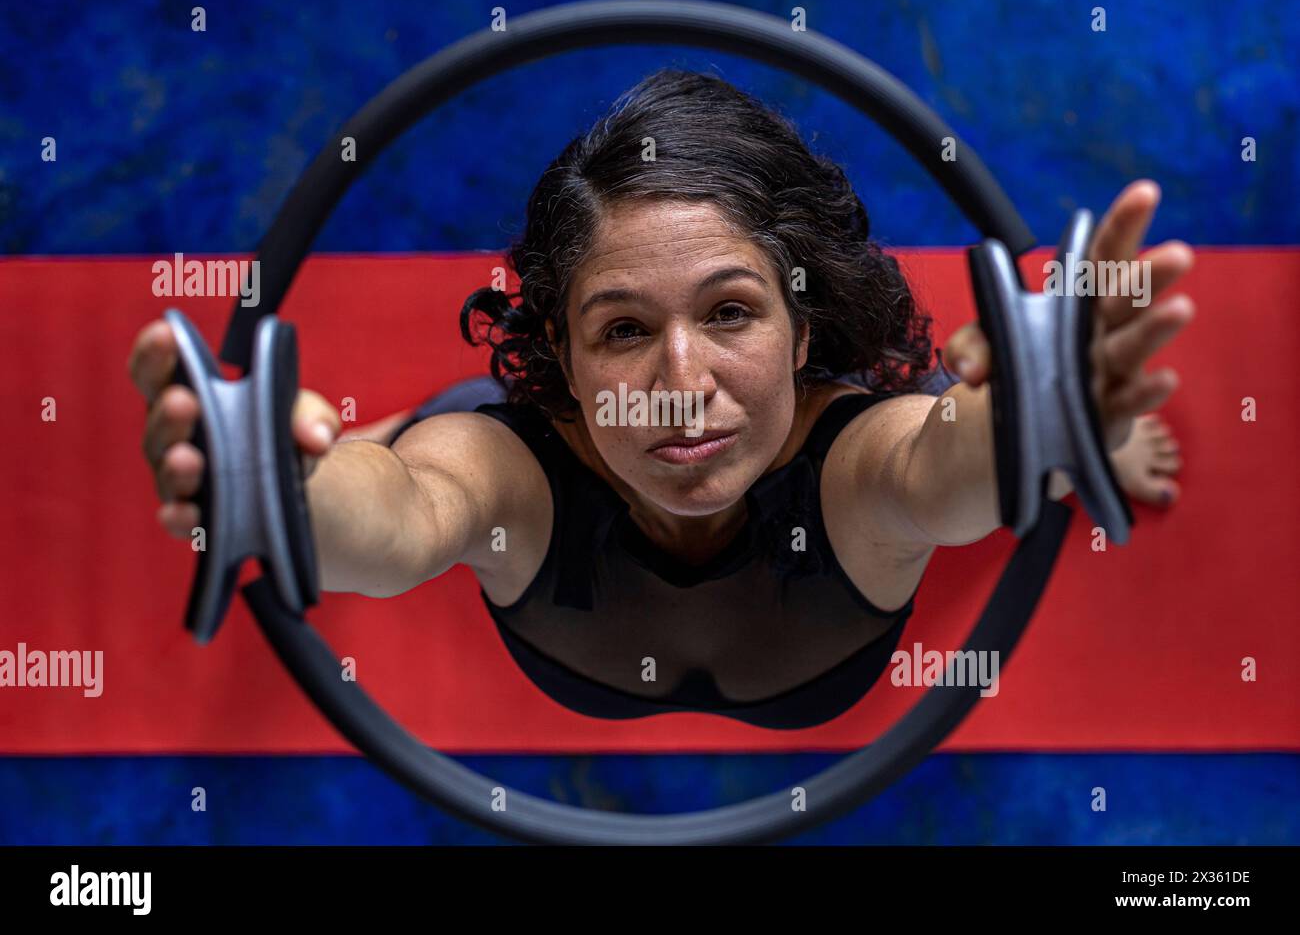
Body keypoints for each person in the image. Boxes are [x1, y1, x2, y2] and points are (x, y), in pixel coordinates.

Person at [129, 70, 1195, 729]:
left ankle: (1071, 435)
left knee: (994, 431)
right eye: (624, 330)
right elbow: (407, 514)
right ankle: (317, 437)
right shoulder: (508, 475)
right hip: (535, 446)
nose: (680, 387)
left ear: (802, 326)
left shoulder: (865, 465)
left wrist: (1033, 431)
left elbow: (939, 463)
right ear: (561, 344)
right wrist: (285, 489)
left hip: (824, 429)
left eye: (730, 313)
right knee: (407, 446)